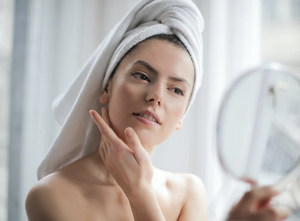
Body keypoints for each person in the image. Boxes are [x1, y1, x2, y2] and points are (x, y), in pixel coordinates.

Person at [25, 0, 290, 220]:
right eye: (141, 76)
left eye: (176, 90)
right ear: (106, 87)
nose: (155, 97)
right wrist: (139, 193)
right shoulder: (51, 195)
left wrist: (140, 191)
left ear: (182, 116)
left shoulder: (188, 193)